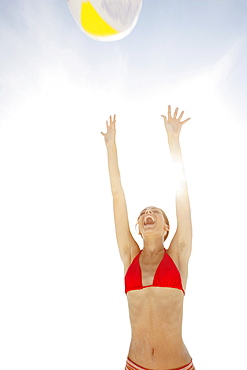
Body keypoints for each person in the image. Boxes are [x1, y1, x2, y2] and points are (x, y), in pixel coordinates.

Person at [101, 106, 195, 370]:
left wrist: (173, 141)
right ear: (139, 228)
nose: (148, 213)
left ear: (167, 226)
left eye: (155, 212)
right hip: (135, 365)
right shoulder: (129, 255)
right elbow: (118, 196)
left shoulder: (178, 254)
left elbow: (183, 196)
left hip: (178, 366)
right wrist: (111, 147)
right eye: (143, 213)